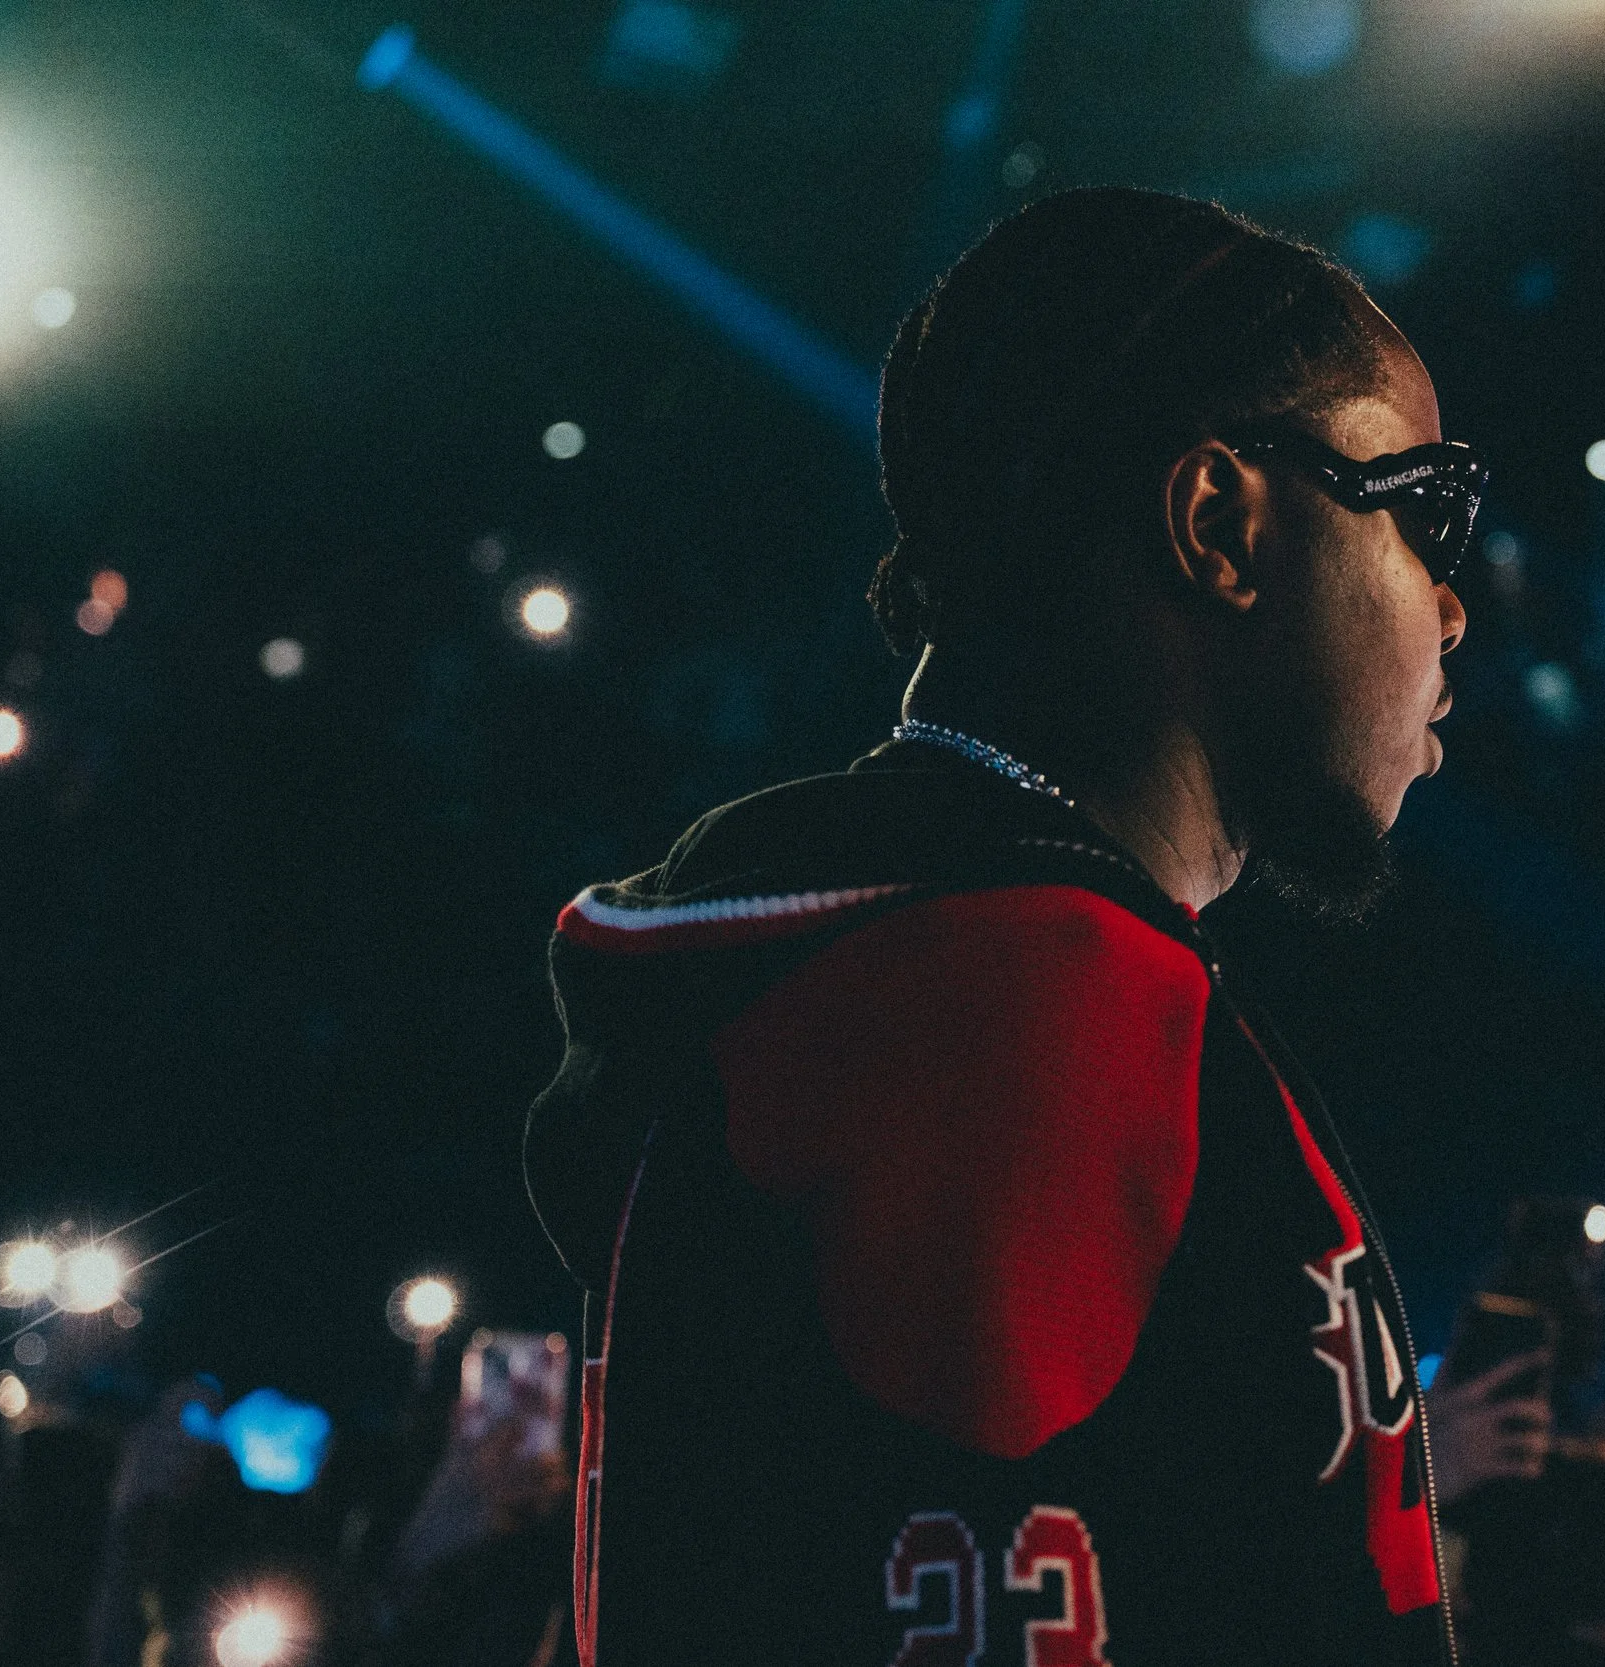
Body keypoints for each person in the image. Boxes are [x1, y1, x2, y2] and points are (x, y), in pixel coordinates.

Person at [525, 186, 1477, 1665]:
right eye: (1422, 506)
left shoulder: (949, 958)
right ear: (1220, 521)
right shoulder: (1018, 994)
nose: (1454, 604)